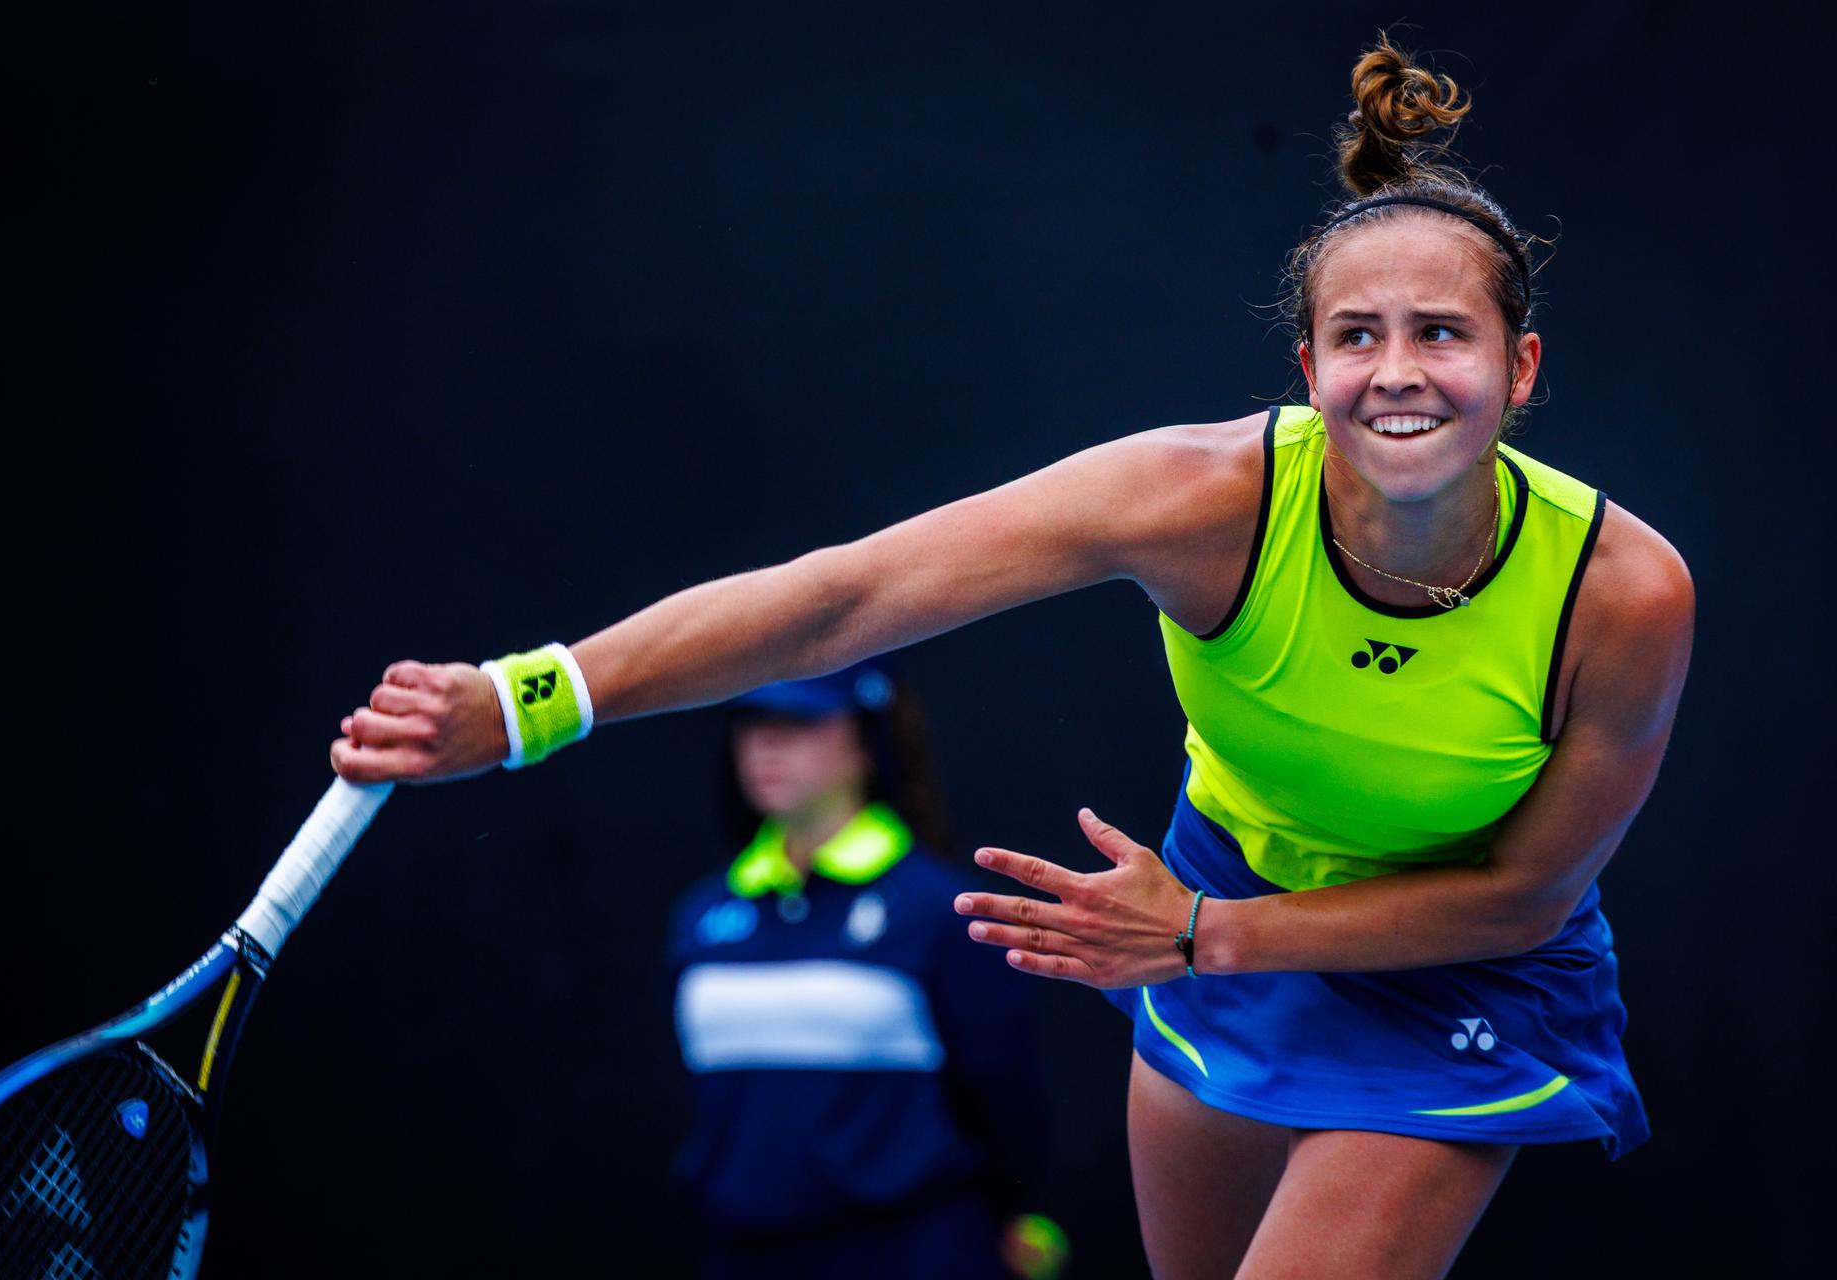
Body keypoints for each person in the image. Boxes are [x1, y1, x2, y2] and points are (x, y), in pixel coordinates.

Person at [332, 37, 1693, 1279]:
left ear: (1519, 369)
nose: (1397, 370)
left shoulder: (1622, 594)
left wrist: (1209, 937)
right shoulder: (1198, 497)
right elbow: (841, 600)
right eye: (1358, 336)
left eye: (1441, 334)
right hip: (1206, 906)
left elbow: (1520, 901)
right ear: (1306, 364)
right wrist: (529, 701)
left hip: (1442, 961)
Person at [666, 660, 1061, 1280]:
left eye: (799, 720)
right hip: (743, 1255)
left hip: (914, 1254)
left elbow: (1007, 1104)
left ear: (866, 741)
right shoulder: (701, 917)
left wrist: (996, 1218)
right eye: (753, 721)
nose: (767, 743)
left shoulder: (940, 911)